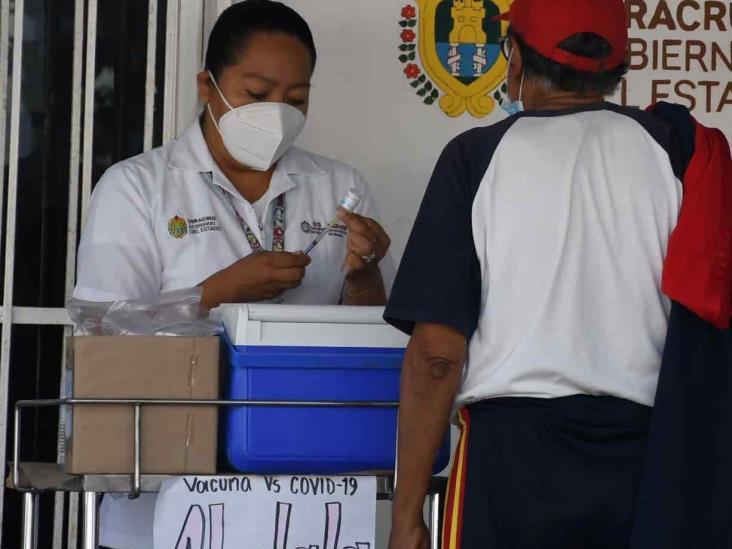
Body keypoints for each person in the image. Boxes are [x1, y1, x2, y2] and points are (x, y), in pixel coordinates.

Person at [382, 0, 725, 547]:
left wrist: (406, 518)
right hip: (647, 463)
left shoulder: (475, 157)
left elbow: (436, 357)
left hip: (510, 464)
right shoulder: (675, 154)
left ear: (513, 58)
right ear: (623, 62)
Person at [74, 2, 392, 548]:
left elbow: (367, 342)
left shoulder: (340, 187)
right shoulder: (138, 187)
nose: (278, 113)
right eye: (256, 93)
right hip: (162, 502)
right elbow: (101, 338)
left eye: (297, 100)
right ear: (207, 84)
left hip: (304, 498)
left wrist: (365, 278)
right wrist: (216, 293)